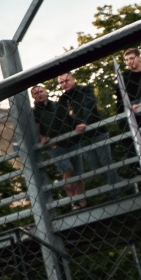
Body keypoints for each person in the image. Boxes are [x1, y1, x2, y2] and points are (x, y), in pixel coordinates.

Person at [52, 71, 100, 204]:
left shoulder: (84, 90)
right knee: (75, 172)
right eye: (61, 82)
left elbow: (89, 107)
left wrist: (84, 122)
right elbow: (60, 120)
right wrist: (51, 138)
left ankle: (118, 193)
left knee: (96, 168)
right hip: (72, 140)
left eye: (67, 80)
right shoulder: (63, 99)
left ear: (73, 79)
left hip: (92, 134)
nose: (64, 84)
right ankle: (76, 204)